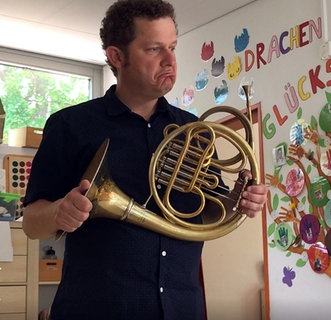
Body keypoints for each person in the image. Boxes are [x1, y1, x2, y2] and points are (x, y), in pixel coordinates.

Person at [21, 1, 268, 319]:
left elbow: (211, 211)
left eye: (173, 47)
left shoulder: (194, 130)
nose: (170, 61)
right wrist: (60, 212)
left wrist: (239, 200)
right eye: (153, 49)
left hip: (181, 307)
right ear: (116, 56)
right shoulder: (70, 126)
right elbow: (30, 223)